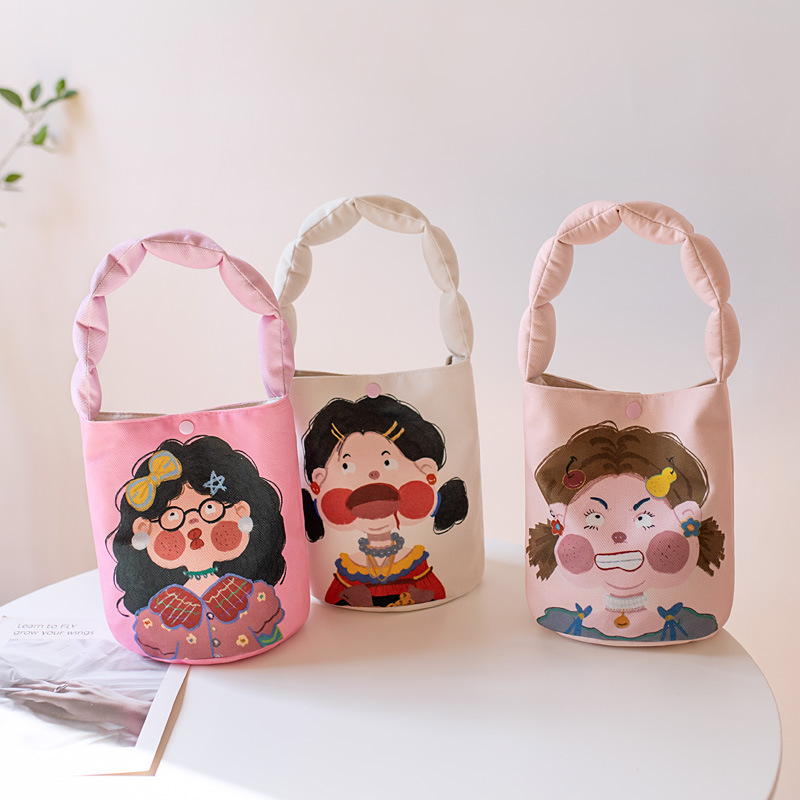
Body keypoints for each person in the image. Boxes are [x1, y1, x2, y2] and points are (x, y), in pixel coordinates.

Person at [527, 421, 724, 641]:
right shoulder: (559, 616)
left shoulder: (695, 623)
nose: (618, 536)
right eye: (594, 517)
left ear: (685, 515)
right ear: (560, 517)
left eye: (644, 518)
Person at [111, 435, 286, 660]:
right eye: (172, 516)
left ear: (242, 511)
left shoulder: (253, 598)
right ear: (143, 529)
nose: (194, 525)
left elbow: (272, 639)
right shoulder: (159, 616)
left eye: (210, 508)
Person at [302, 393, 468, 608]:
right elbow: (335, 596)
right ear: (319, 482)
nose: (372, 476)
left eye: (388, 462)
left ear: (427, 471)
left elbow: (435, 591)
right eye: (346, 467)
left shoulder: (415, 561)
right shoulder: (348, 568)